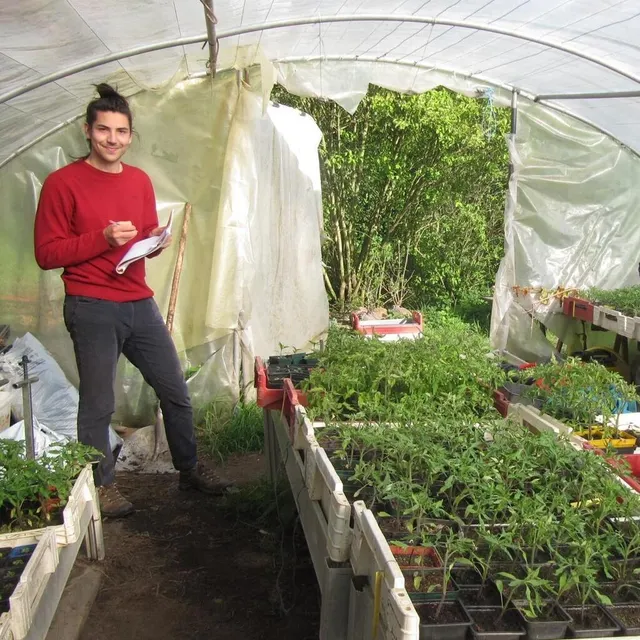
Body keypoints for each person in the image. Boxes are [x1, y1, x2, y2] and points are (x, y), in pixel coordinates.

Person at [34, 83, 231, 518]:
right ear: (88, 131)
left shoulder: (139, 181)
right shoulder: (62, 183)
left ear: (130, 134)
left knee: (175, 389)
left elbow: (139, 236)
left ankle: (189, 468)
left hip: (138, 302)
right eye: (104, 130)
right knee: (99, 403)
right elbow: (46, 253)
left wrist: (152, 243)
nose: (112, 139)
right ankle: (102, 487)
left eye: (121, 131)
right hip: (90, 305)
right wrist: (100, 238)